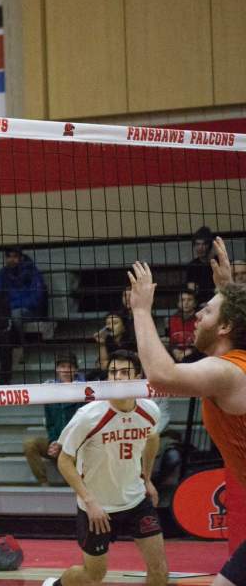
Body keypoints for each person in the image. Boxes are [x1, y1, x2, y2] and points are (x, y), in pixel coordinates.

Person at [128, 241, 246, 586]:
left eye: (206, 311)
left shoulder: (227, 372)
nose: (196, 315)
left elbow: (163, 375)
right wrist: (227, 290)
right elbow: (234, 319)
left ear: (225, 327)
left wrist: (140, 311)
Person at [45, 351, 166, 586]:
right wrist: (90, 502)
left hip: (136, 501)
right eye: (112, 372)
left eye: (124, 372)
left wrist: (147, 478)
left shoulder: (149, 409)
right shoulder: (88, 415)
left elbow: (152, 439)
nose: (117, 378)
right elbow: (63, 460)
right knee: (93, 575)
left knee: (159, 572)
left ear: (138, 377)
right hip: (97, 507)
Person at [22, 354, 85, 487]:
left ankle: (78, 484)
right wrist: (53, 441)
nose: (66, 370)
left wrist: (64, 443)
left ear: (76, 370)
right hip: (58, 442)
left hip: (78, 445)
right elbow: (50, 424)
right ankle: (44, 483)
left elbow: (83, 425)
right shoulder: (50, 391)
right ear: (57, 369)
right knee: (30, 444)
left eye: (70, 367)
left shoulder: (84, 390)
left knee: (75, 464)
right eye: (63, 366)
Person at [0, 247, 47, 338]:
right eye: (8, 257)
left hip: (31, 311)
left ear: (21, 258)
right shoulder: (2, 274)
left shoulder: (33, 272)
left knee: (16, 314)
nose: (11, 260)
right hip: (9, 310)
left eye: (15, 257)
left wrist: (12, 305)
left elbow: (37, 299)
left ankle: (20, 344)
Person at [168, 289, 200, 363]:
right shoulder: (173, 319)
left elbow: (203, 341)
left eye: (189, 300)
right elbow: (170, 340)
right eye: (183, 300)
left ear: (195, 303)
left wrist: (190, 351)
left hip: (195, 356)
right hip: (176, 355)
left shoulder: (199, 318)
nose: (186, 303)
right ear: (178, 303)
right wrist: (174, 350)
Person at [186, 226, 217, 303]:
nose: (200, 248)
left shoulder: (219, 263)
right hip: (199, 304)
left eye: (204, 244)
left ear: (209, 245)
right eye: (197, 244)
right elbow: (191, 291)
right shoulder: (192, 266)